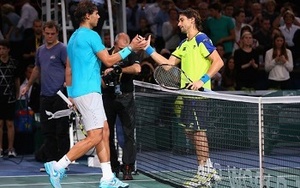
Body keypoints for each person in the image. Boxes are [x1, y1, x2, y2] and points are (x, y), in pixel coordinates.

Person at [43, 1, 146, 188]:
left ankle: (107, 177)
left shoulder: (74, 37)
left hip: (82, 91)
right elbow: (108, 60)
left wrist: (71, 93)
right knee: (95, 136)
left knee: (104, 131)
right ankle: (58, 166)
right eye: (96, 13)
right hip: (89, 92)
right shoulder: (91, 35)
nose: (99, 17)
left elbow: (70, 67)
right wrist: (130, 48)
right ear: (87, 15)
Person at [142, 8, 224, 187]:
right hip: (186, 94)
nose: (178, 24)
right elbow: (168, 66)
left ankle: (202, 171)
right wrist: (148, 49)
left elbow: (218, 61)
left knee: (199, 131)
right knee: (190, 131)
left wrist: (202, 80)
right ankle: (208, 167)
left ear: (192, 20)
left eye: (181, 20)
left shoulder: (201, 39)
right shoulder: (183, 43)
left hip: (198, 94)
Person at [20, 21, 70, 163]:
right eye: (47, 33)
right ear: (43, 33)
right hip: (45, 95)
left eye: (52, 34)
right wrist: (28, 86)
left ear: (57, 34)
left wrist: (69, 86)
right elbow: (37, 68)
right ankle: (51, 161)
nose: (49, 36)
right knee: (47, 131)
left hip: (60, 94)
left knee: (61, 130)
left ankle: (63, 162)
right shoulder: (40, 50)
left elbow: (69, 67)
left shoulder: (62, 49)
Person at [102, 32, 140, 180]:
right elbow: (102, 84)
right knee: (107, 134)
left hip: (126, 98)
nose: (125, 50)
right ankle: (113, 166)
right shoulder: (105, 55)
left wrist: (119, 70)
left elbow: (137, 69)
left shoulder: (130, 53)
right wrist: (106, 75)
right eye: (122, 47)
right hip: (109, 98)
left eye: (127, 47)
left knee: (128, 133)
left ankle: (128, 167)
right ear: (116, 44)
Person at [0, 39, 20, 158]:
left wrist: (17, 94)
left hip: (10, 97)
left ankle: (11, 148)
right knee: (0, 123)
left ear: (8, 50)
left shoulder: (13, 63)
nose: (1, 51)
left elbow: (16, 80)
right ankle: (0, 148)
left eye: (3, 48)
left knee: (10, 123)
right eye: (0, 49)